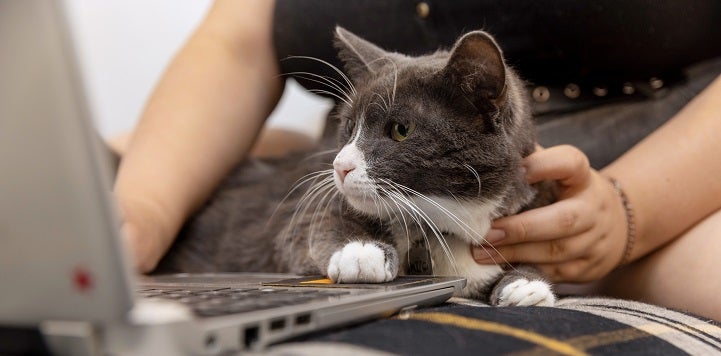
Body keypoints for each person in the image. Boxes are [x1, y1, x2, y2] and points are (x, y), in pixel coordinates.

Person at [113, 0, 721, 321]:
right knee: (98, 156)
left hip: (650, 172)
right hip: (375, 183)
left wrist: (629, 206)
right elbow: (236, 44)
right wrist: (142, 208)